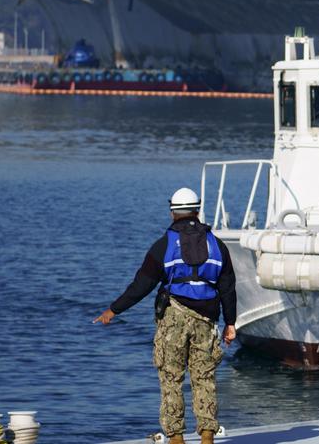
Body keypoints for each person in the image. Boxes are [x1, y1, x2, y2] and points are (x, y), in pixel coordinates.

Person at [94, 188, 237, 444]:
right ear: (198, 209)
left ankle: (176, 439)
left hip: (173, 317)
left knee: (171, 378)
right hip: (206, 321)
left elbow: (142, 284)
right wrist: (231, 323)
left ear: (173, 212)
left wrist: (114, 309)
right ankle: (206, 437)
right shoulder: (218, 245)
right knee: (204, 378)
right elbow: (227, 286)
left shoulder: (165, 245)